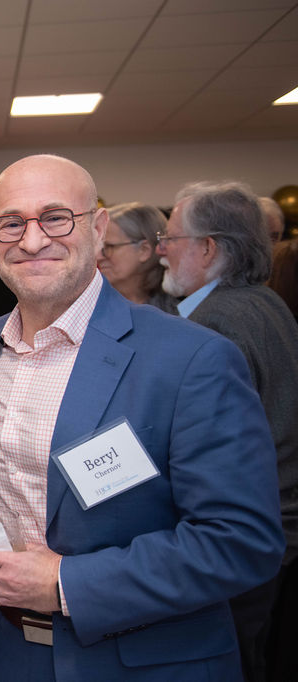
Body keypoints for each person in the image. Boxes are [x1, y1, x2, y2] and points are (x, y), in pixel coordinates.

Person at [0, 154, 284, 682]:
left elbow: (241, 540)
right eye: (11, 223)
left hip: (144, 660)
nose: (32, 240)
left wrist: (65, 583)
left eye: (56, 217)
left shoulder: (191, 357)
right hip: (8, 649)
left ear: (98, 227)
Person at [158, 181, 298, 681]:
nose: (161, 250)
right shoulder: (266, 302)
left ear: (208, 248)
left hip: (239, 542)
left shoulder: (212, 326)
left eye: (170, 238)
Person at [97, 202, 178, 313]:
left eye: (110, 247)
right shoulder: (89, 307)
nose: (98, 257)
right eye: (98, 247)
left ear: (144, 250)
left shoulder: (180, 310)